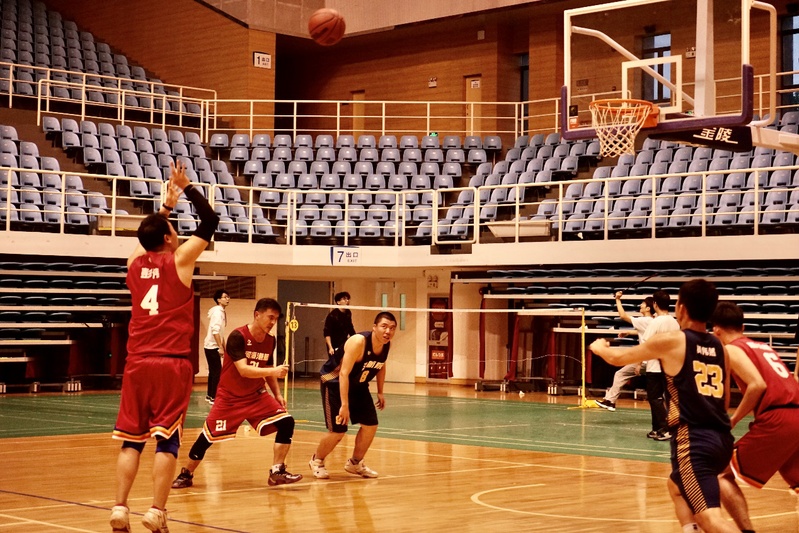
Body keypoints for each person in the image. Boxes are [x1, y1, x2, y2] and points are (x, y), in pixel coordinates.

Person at [111, 161, 219, 533]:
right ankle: (156, 511)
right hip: (171, 363)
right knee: (166, 440)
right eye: (172, 229)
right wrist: (185, 187)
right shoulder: (180, 261)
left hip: (137, 363)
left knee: (131, 442)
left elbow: (147, 240)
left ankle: (120, 508)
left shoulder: (133, 264)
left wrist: (165, 209)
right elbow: (210, 221)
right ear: (170, 238)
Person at [589, 279, 740, 533]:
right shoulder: (720, 347)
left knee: (710, 519)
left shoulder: (673, 341)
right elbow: (724, 401)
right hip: (722, 438)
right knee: (676, 487)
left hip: (694, 440)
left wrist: (599, 348)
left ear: (681, 308)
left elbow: (617, 358)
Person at [171, 298, 303, 490]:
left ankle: (277, 471)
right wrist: (274, 371)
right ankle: (186, 473)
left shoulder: (270, 340)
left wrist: (277, 394)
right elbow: (244, 370)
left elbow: (266, 368)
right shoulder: (237, 336)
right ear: (257, 315)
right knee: (208, 437)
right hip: (230, 398)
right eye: (270, 317)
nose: (273, 322)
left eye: (276, 319)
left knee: (287, 422)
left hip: (256, 396)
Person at [712, 301, 799, 533]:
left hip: (778, 418)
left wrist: (732, 420)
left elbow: (757, 385)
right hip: (796, 413)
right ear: (742, 326)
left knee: (720, 474)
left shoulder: (732, 349)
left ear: (716, 330)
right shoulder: (763, 346)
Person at [309, 311, 397, 480]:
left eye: (392, 328)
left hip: (358, 385)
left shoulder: (386, 345)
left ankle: (355, 463)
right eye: (384, 326)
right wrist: (344, 405)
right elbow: (343, 373)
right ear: (374, 327)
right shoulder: (358, 342)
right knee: (338, 431)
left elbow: (381, 365)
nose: (388, 331)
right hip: (334, 383)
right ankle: (317, 460)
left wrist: (380, 391)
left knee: (371, 425)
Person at [593, 293, 653, 412]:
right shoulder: (652, 321)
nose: (640, 305)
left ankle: (610, 401)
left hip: (646, 361)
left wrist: (618, 299)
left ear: (648, 308)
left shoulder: (644, 320)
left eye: (643, 303)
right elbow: (644, 332)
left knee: (620, 374)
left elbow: (623, 316)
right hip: (655, 361)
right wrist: (629, 332)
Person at [640, 290, 680, 441]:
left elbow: (646, 343)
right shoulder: (674, 322)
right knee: (667, 399)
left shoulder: (656, 322)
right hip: (670, 367)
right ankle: (656, 428)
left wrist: (641, 362)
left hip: (655, 366)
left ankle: (666, 428)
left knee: (655, 398)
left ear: (655, 304)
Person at [203, 289, 230, 404]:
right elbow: (215, 331)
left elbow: (221, 333)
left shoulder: (221, 312)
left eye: (228, 297)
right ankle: (214, 397)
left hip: (212, 345)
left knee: (213, 372)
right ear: (219, 300)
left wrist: (224, 347)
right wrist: (220, 347)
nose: (228, 299)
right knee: (217, 372)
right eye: (225, 297)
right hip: (212, 346)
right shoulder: (218, 312)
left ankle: (209, 395)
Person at [324, 291, 356, 356]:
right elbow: (327, 333)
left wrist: (355, 339)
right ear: (338, 302)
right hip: (333, 344)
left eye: (347, 299)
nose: (347, 301)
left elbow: (350, 328)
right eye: (344, 299)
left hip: (343, 342)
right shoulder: (332, 315)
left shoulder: (348, 313)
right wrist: (330, 347)